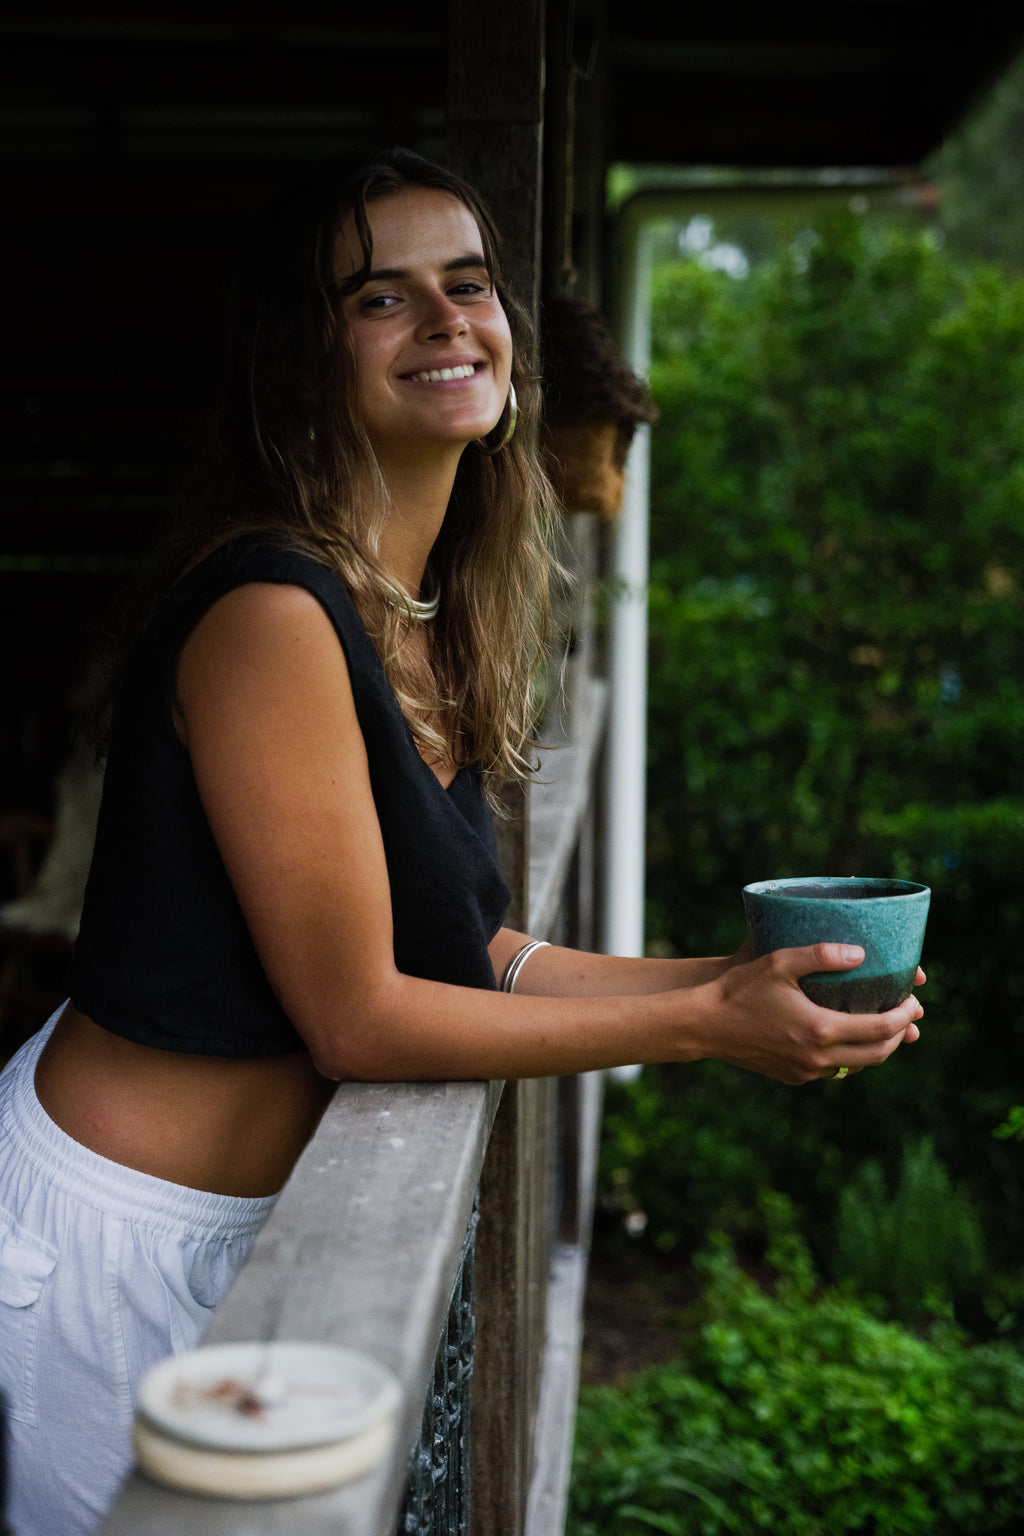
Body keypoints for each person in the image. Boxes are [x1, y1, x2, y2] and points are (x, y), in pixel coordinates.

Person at [0, 148, 923, 1536]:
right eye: (382, 297)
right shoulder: (273, 614)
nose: (447, 321)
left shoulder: (420, 616)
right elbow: (359, 1018)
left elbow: (475, 951)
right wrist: (700, 1027)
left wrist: (740, 978)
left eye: (469, 283)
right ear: (302, 356)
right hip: (105, 1242)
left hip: (243, 1233)